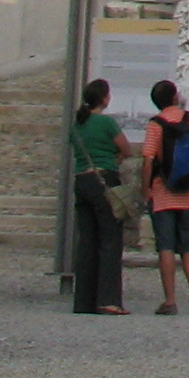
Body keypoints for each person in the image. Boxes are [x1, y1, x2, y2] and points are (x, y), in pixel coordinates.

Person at [142, 78, 189, 315]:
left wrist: (146, 189)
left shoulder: (155, 125)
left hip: (163, 192)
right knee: (188, 248)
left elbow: (148, 159)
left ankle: (170, 300)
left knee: (166, 247)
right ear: (175, 97)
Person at [69, 78, 127, 315]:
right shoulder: (106, 123)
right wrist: (115, 159)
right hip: (103, 180)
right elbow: (125, 149)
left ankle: (83, 300)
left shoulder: (77, 125)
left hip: (81, 181)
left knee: (87, 241)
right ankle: (108, 299)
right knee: (110, 240)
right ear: (105, 98)